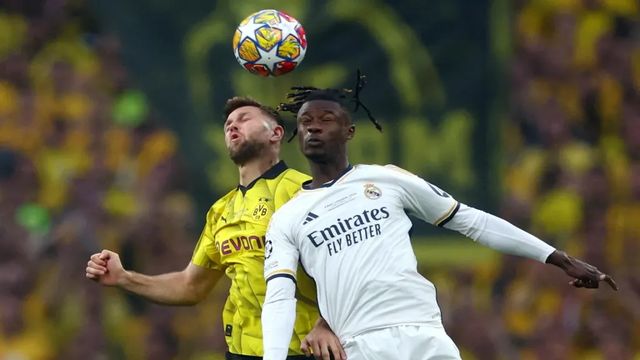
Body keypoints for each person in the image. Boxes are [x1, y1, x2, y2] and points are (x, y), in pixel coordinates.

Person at [260, 82, 618, 360]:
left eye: (326, 120)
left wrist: (558, 257)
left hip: (425, 334)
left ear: (350, 131)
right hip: (361, 343)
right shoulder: (287, 218)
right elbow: (279, 298)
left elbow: (471, 221)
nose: (313, 128)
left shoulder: (387, 180)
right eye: (305, 122)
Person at [85, 97, 346, 360]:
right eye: (228, 124)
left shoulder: (306, 192)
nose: (233, 126)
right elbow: (191, 286)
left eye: (244, 119)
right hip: (241, 353)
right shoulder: (221, 211)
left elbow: (349, 266)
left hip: (305, 350)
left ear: (275, 133)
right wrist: (124, 278)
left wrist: (325, 323)